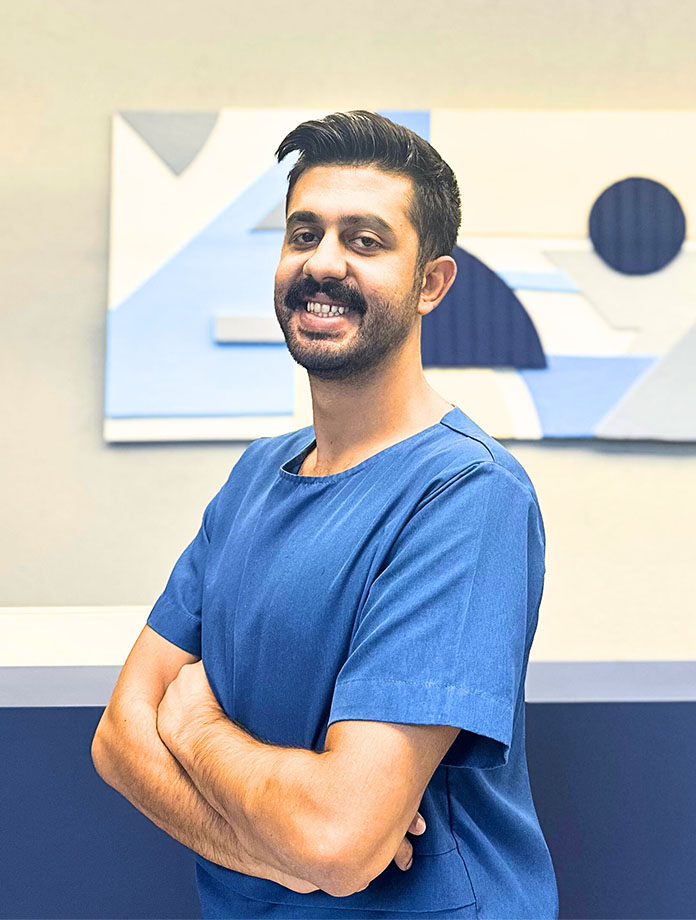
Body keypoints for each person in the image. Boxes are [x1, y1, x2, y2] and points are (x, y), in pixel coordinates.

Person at [91, 110, 559, 920]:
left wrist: (195, 727)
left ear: (431, 284)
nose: (323, 262)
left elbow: (338, 837)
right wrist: (275, 854)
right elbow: (116, 738)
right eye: (303, 234)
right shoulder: (254, 477)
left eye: (366, 241)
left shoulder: (466, 495)